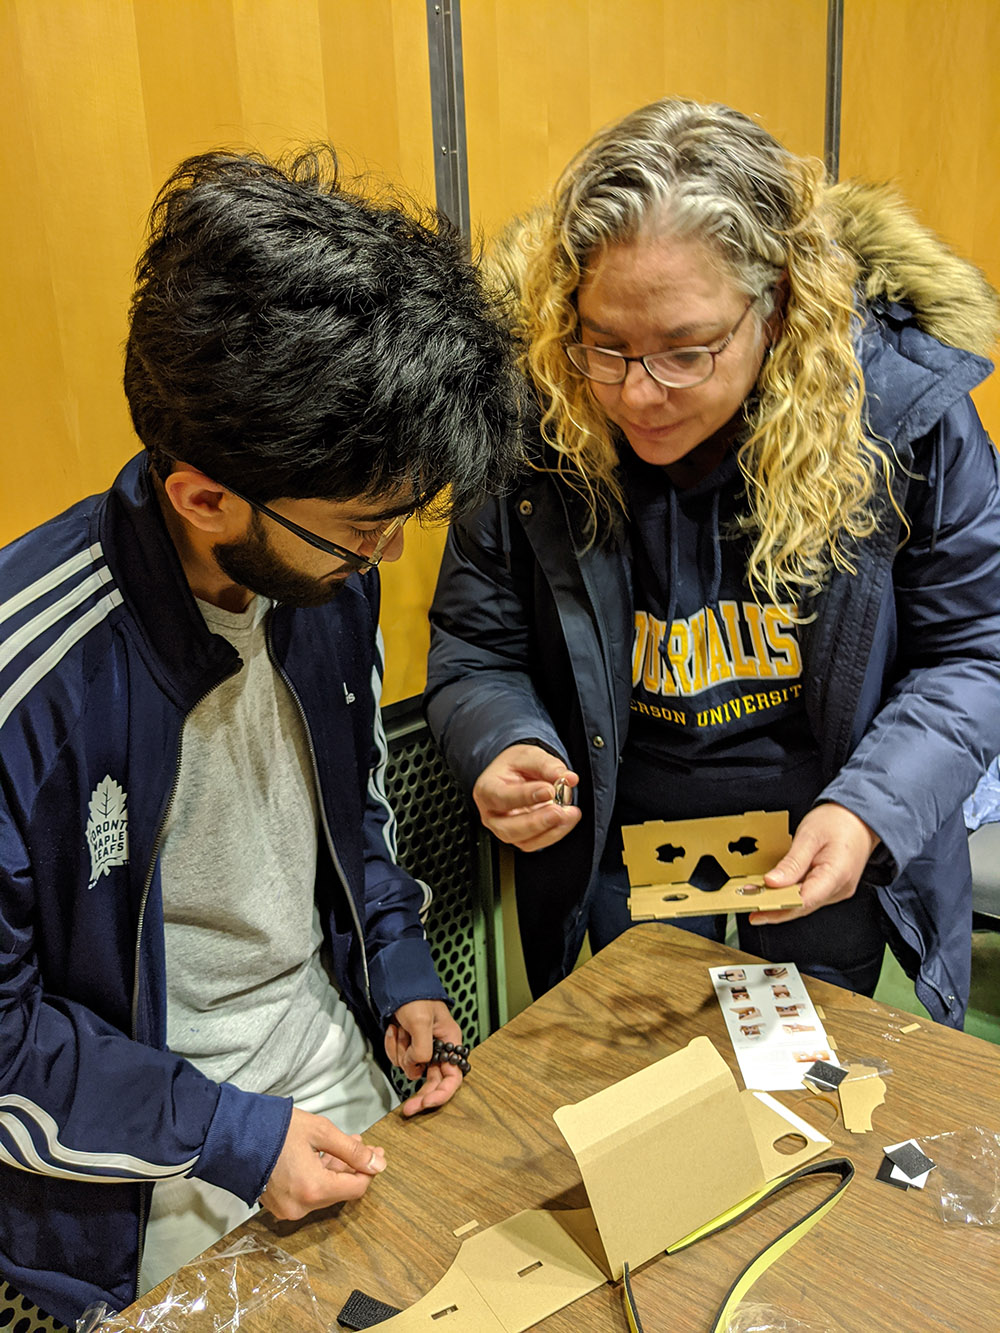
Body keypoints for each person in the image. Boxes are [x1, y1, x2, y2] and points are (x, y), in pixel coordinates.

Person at [0, 147, 520, 1327]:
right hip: (140, 1167)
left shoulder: (323, 586)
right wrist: (234, 1134)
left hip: (337, 1078)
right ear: (201, 496)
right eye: (361, 529)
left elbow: (361, 821)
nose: (385, 560)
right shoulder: (31, 680)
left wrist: (397, 971)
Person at [425, 97, 1000, 1027]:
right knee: (649, 1108)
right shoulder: (533, 414)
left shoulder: (902, 413)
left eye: (687, 352)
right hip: (624, 840)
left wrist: (869, 811)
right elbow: (473, 645)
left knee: (817, 1102)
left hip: (831, 831)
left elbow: (976, 649)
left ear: (776, 309)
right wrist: (505, 744)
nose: (637, 394)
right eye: (604, 345)